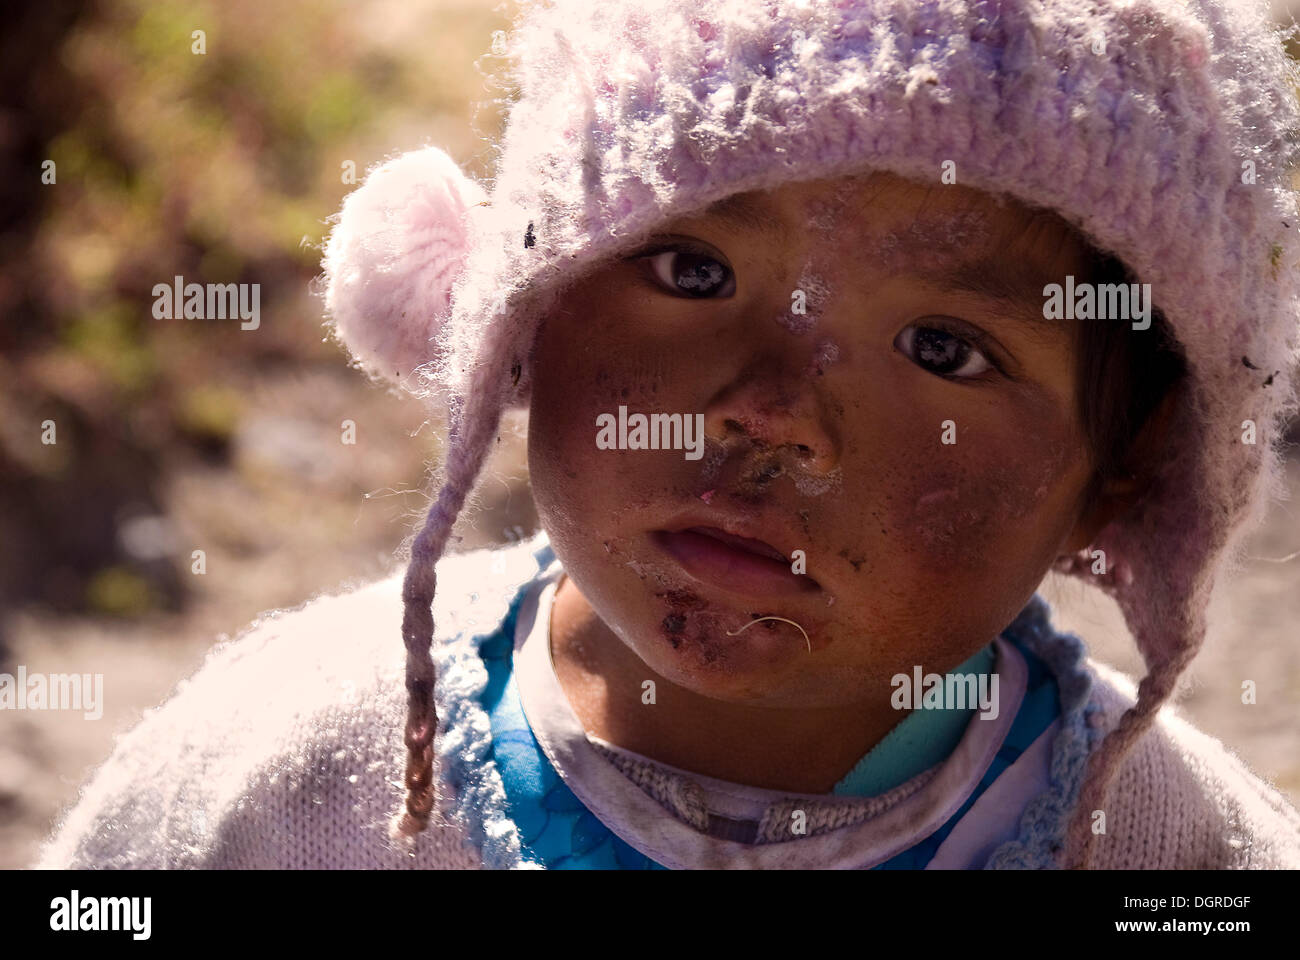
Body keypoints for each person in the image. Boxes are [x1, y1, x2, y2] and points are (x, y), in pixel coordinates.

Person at [36, 0, 1300, 869]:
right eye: (691, 270)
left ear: (1117, 482)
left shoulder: (1175, 858)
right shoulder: (285, 772)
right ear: (522, 307)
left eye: (944, 352)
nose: (772, 415)